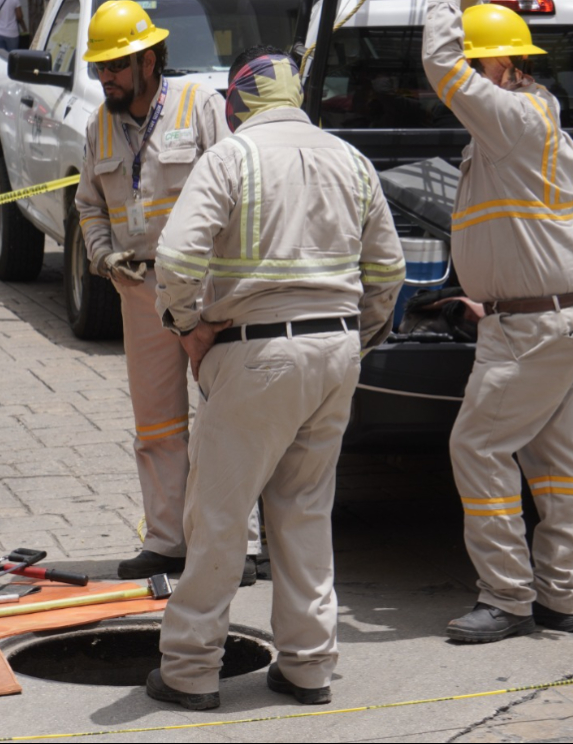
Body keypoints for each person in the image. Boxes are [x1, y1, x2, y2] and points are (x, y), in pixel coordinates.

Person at [148, 45, 404, 710]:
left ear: (236, 106)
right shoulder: (350, 159)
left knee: (219, 515)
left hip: (256, 352)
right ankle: (308, 664)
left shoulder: (231, 157)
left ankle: (190, 669)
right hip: (334, 353)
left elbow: (176, 255)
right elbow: (390, 272)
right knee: (304, 512)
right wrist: (355, 339)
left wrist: (189, 326)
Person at [420, 0, 573, 644]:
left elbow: (443, 64)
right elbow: (475, 46)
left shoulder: (513, 119)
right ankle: (561, 595)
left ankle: (506, 596)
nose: (471, 75)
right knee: (554, 459)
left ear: (500, 69)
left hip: (536, 322)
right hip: (539, 315)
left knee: (478, 445)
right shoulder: (528, 109)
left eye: (480, 64)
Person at [75, 0, 262, 585]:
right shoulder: (99, 126)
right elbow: (88, 206)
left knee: (225, 417)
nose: (106, 78)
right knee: (156, 425)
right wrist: (104, 256)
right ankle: (167, 541)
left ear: (150, 61)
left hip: (206, 285)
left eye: (116, 66)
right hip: (139, 290)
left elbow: (240, 187)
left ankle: (244, 544)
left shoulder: (200, 106)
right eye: (100, 68)